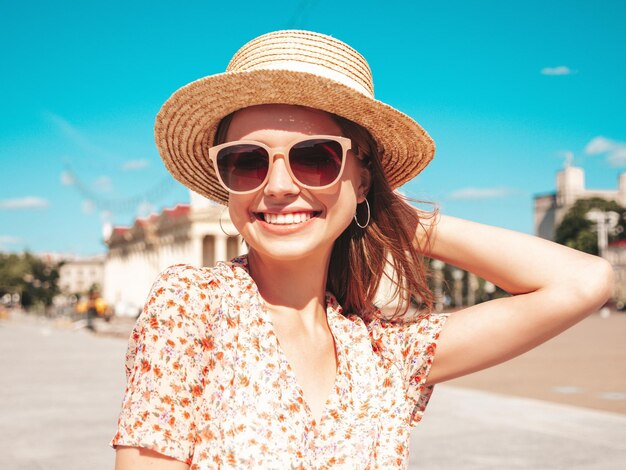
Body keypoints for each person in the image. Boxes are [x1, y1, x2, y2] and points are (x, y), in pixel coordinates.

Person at [110, 30, 613, 469]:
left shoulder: (383, 352)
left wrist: (388, 213)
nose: (279, 186)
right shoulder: (191, 306)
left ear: (363, 175)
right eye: (247, 162)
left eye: (315, 159)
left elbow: (584, 282)